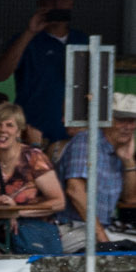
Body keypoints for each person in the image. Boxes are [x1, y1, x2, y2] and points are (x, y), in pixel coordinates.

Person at [0, 0, 82, 146]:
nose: (57, 4)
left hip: (71, 137)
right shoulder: (26, 40)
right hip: (30, 134)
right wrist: (30, 32)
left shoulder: (82, 40)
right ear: (40, 4)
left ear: (71, 2)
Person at [0, 100, 68, 256]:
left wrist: (17, 212)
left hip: (32, 233)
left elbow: (59, 202)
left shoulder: (34, 157)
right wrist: (0, 202)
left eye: (9, 125)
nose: (2, 130)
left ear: (18, 132)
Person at [58, 91, 136, 251]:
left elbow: (129, 199)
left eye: (132, 121)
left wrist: (128, 161)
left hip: (104, 228)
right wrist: (104, 240)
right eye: (121, 120)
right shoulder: (86, 142)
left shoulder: (118, 150)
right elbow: (75, 191)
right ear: (106, 120)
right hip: (72, 229)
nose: (128, 127)